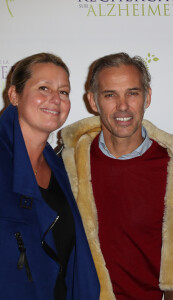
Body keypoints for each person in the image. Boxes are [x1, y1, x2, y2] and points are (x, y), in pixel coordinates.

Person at [61, 52, 173, 300]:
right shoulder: (68, 167)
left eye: (132, 93)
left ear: (147, 97)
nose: (123, 106)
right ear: (92, 100)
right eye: (110, 95)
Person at [0, 53, 100, 299]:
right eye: (43, 88)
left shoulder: (59, 166)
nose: (55, 99)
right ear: (14, 95)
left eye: (64, 92)